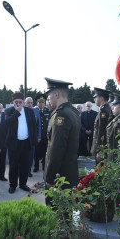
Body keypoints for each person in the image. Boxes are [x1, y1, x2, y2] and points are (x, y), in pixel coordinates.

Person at [43, 78, 80, 206]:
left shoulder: (61, 115)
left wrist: (50, 177)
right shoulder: (73, 112)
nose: (48, 100)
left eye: (49, 96)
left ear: (56, 95)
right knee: (66, 214)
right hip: (69, 173)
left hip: (59, 177)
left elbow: (56, 149)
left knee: (56, 214)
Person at [5, 92, 37, 194]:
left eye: (20, 102)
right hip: (14, 143)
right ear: (13, 102)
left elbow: (33, 126)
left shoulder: (29, 111)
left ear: (23, 102)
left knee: (25, 165)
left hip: (26, 143)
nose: (18, 104)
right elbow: (7, 123)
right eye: (16, 102)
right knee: (13, 165)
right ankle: (12, 185)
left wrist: (34, 140)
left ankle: (23, 184)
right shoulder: (9, 111)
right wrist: (16, 112)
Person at [91, 87, 112, 163]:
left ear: (101, 98)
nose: (94, 99)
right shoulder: (105, 109)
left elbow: (101, 132)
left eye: (95, 97)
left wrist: (100, 151)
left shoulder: (104, 111)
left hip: (101, 149)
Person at [24, 97, 41, 177]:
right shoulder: (21, 111)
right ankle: (22, 170)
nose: (30, 104)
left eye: (31, 103)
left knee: (31, 155)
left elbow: (39, 126)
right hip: (23, 138)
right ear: (25, 103)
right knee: (23, 155)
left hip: (32, 138)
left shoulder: (36, 112)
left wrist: (38, 136)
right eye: (28, 102)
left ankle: (28, 170)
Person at [34, 94, 50, 172]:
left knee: (45, 152)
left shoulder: (47, 111)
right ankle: (36, 166)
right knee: (36, 152)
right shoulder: (34, 111)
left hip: (45, 135)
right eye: (39, 102)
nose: (41, 104)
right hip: (37, 135)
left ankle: (44, 166)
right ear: (37, 103)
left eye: (42, 102)